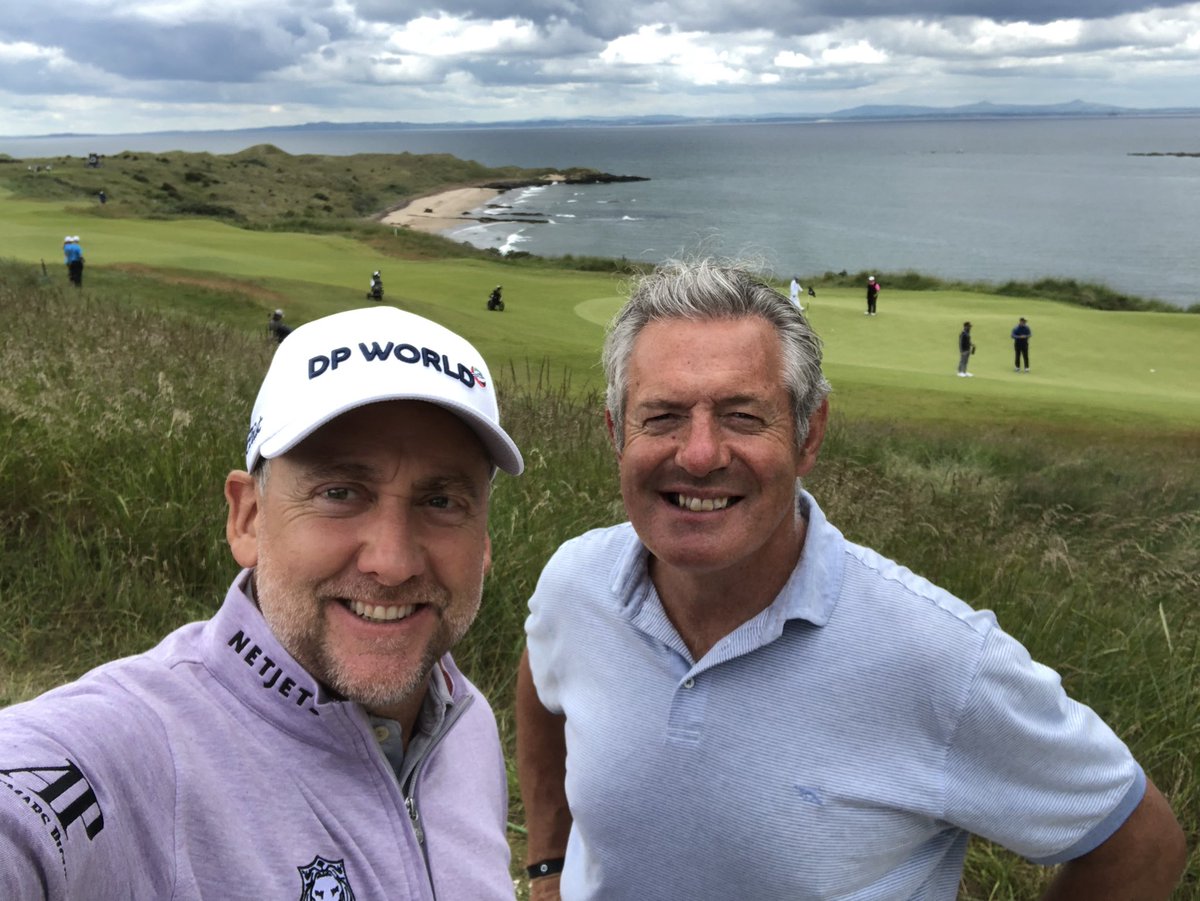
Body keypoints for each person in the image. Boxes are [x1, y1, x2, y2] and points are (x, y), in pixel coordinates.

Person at [516, 259, 1185, 901]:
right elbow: (542, 680)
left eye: (743, 416)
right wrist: (547, 866)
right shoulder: (576, 582)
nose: (698, 453)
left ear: (810, 436)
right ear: (615, 434)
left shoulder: (940, 658)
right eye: (662, 416)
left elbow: (1140, 840)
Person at [1, 306, 525, 900]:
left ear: (483, 542)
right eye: (340, 493)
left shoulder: (465, 722)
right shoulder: (138, 745)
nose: (393, 561)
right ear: (247, 518)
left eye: (442, 502)